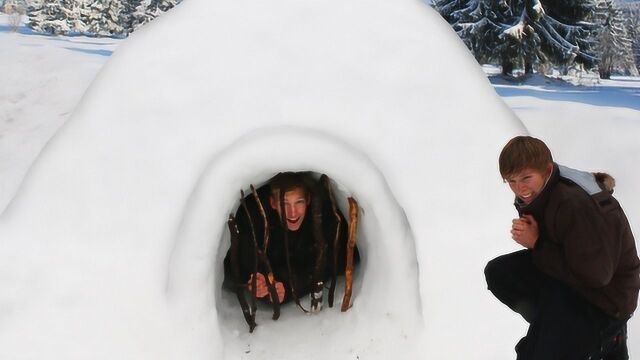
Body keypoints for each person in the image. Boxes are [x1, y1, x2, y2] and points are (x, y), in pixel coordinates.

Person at [484, 136, 640, 359]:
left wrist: (536, 243)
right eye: (511, 181)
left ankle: (604, 338)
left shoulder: (571, 204)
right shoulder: (543, 190)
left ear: (546, 169)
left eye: (526, 178)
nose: (519, 188)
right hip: (574, 280)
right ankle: (557, 329)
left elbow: (596, 277)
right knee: (500, 273)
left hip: (606, 300)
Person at [223, 172, 357, 305]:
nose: (292, 213)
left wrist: (288, 287)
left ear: (308, 200)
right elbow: (243, 259)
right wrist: (259, 281)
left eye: (299, 202)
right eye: (285, 203)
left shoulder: (323, 219)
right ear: (273, 203)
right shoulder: (254, 220)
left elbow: (334, 262)